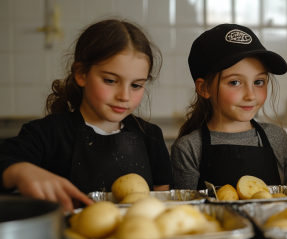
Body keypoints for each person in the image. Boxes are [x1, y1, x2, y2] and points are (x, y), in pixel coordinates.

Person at [0, 19, 173, 210]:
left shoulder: (151, 137)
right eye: (110, 80)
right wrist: (20, 171)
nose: (124, 96)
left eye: (136, 85)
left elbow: (161, 205)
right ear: (81, 74)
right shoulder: (48, 133)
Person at [171, 24, 287, 190]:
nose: (251, 95)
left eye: (259, 82)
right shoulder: (189, 148)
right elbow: (186, 211)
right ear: (204, 88)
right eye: (235, 82)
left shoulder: (277, 139)